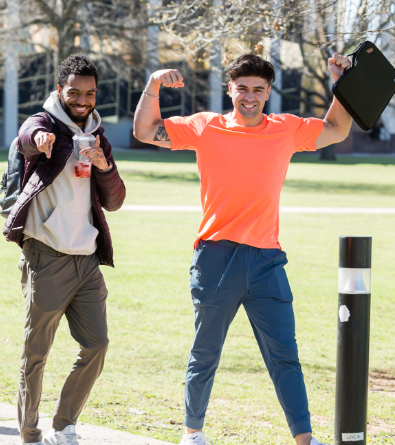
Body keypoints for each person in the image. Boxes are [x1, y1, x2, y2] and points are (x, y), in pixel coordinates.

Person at [132, 53, 352, 445]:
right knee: (206, 353)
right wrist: (153, 83)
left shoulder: (285, 129)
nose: (249, 97)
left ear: (268, 93)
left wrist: (343, 84)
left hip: (267, 260)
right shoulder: (205, 126)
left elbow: (336, 129)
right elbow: (146, 130)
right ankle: (192, 433)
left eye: (258, 90)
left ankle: (305, 440)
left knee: (285, 355)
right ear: (229, 88)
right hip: (215, 259)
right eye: (242, 88)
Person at [2, 54, 126, 445]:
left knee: (97, 344)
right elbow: (26, 138)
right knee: (36, 351)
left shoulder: (98, 134)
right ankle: (29, 432)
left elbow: (116, 200)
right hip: (47, 255)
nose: (82, 100)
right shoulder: (44, 123)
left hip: (86, 259)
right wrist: (38, 142)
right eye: (74, 92)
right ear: (60, 91)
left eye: (89, 94)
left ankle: (64, 424)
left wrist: (104, 166)